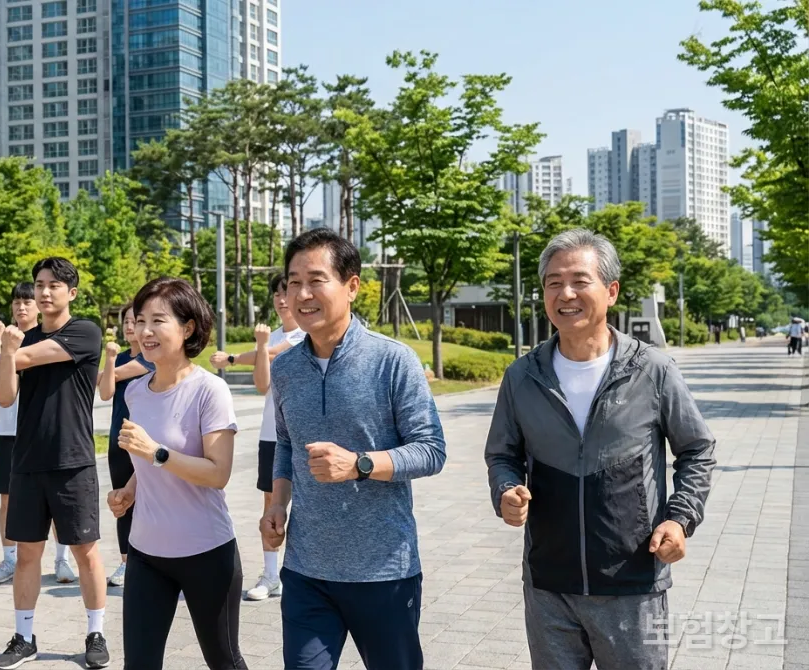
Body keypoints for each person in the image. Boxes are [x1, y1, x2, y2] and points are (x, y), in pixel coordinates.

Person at [485, 229, 716, 670]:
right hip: (548, 585)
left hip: (633, 582)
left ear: (610, 291)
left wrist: (680, 519)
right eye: (553, 282)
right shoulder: (521, 376)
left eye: (578, 280)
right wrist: (506, 490)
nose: (565, 293)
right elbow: (502, 454)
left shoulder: (652, 368)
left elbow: (697, 449)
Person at [260, 229, 447, 670]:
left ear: (352, 285)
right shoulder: (284, 367)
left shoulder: (392, 360)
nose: (301, 294)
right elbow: (286, 442)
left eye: (316, 279)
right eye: (292, 282)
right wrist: (278, 504)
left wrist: (360, 464)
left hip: (383, 571)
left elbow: (431, 449)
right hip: (306, 570)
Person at [0, 257, 110, 669]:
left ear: (71, 292)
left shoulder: (84, 332)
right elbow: (5, 396)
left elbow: (30, 359)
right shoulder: (23, 341)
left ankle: (96, 632)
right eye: (39, 284)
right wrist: (6, 356)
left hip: (72, 461)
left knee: (85, 552)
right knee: (27, 554)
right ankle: (23, 637)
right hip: (28, 462)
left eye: (54, 285)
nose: (44, 291)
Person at [106, 277, 246, 669]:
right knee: (139, 663)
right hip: (146, 552)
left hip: (205, 550)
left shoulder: (209, 391)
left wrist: (156, 453)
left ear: (187, 328)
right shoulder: (135, 391)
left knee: (224, 660)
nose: (144, 331)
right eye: (139, 320)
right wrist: (130, 489)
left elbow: (218, 473)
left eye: (158, 321)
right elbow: (147, 461)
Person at [210, 274, 305, 601]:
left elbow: (271, 353)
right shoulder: (274, 337)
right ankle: (271, 574)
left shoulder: (306, 335)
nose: (282, 299)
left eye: (286, 291)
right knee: (271, 503)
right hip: (272, 434)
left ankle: (304, 572)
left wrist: (243, 355)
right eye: (278, 293)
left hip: (304, 432)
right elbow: (262, 379)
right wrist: (242, 355)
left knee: (309, 502)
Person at [0, 284, 75, 586]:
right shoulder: (9, 338)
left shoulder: (46, 340)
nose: (22, 308)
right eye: (17, 303)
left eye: (27, 302)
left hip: (41, 430)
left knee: (56, 500)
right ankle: (9, 558)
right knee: (7, 499)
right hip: (8, 431)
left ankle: (62, 559)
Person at [97, 305, 154, 588]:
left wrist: (109, 369)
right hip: (119, 440)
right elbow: (105, 392)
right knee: (122, 500)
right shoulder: (117, 358)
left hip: (147, 440)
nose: (131, 326)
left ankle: (154, 560)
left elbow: (113, 377)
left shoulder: (151, 357)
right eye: (128, 322)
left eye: (136, 320)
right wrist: (109, 360)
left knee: (151, 499)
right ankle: (126, 562)